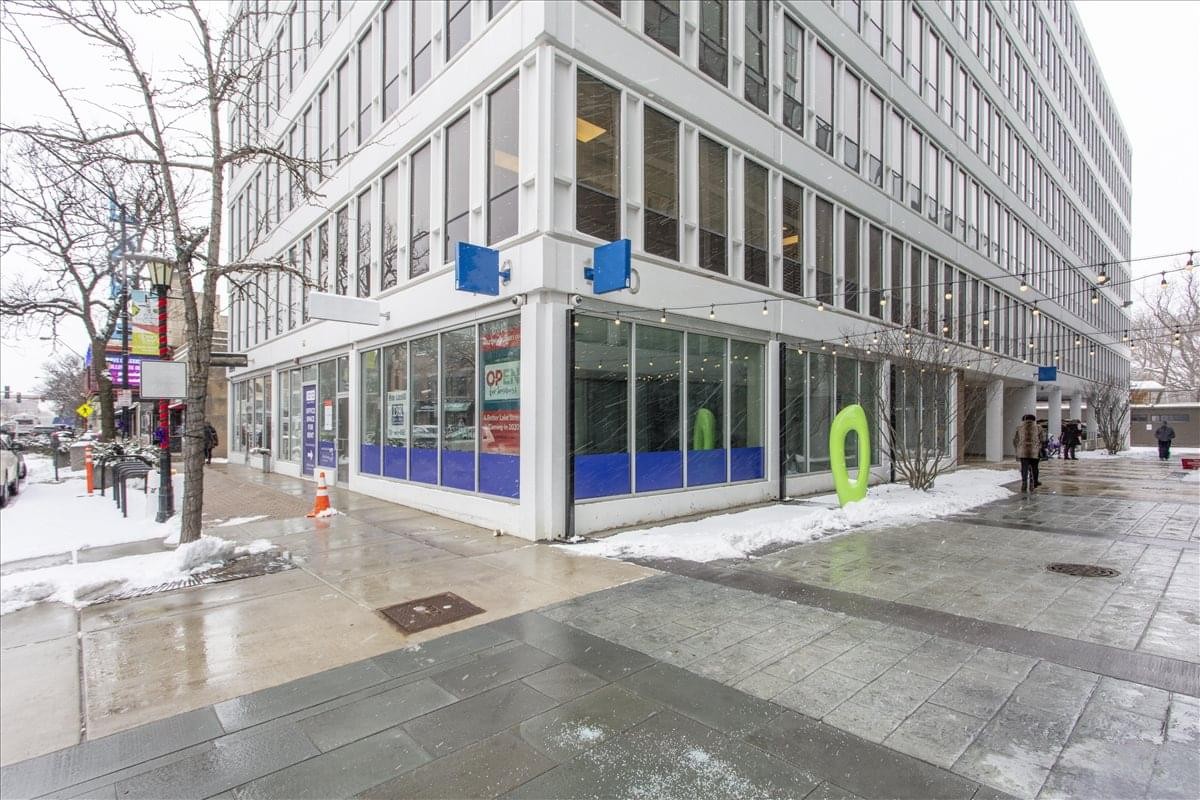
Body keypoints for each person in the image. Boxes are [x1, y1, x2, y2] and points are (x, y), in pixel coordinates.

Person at [1013, 413, 1046, 491]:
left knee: (1024, 468)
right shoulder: (1038, 428)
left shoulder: (1019, 428)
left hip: (1023, 451)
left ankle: (1024, 482)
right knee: (1034, 468)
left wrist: (1018, 448)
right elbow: (1042, 439)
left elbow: (1015, 440)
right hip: (1035, 451)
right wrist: (1039, 446)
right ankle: (1033, 482)